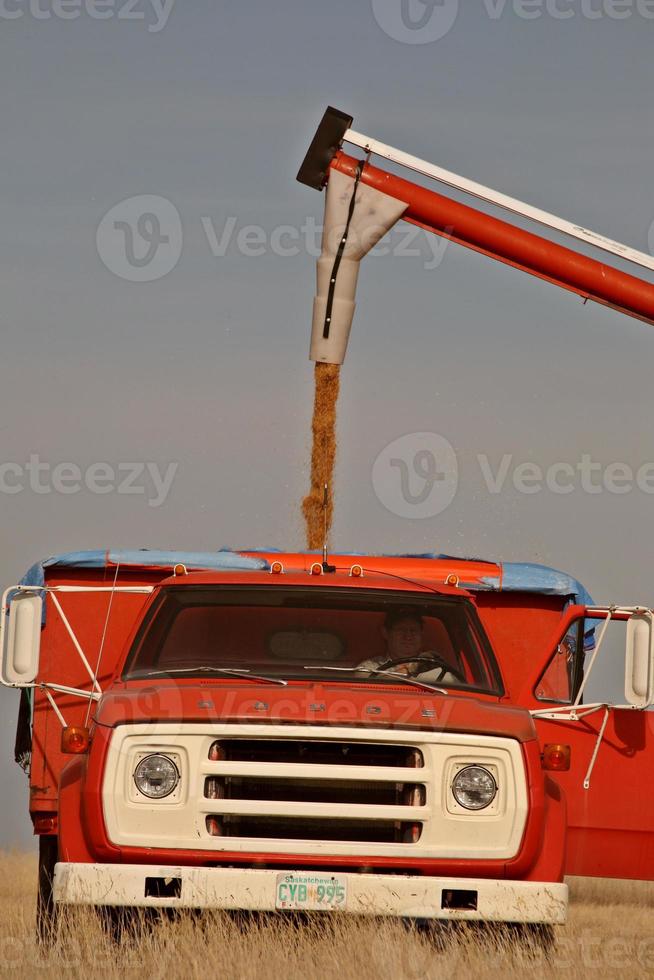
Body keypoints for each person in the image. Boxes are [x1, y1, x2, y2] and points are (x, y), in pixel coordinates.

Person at [357, 608, 462, 684]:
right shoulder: (370, 667)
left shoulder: (439, 670)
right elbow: (365, 684)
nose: (408, 636)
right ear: (385, 633)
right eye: (401, 630)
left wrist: (432, 664)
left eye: (414, 630)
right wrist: (411, 668)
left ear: (421, 634)